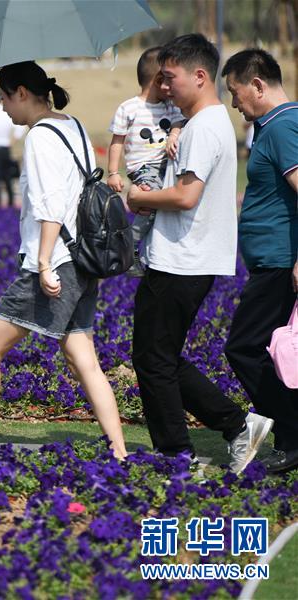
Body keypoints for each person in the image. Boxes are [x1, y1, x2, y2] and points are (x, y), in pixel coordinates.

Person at [127, 34, 273, 473]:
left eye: (169, 78)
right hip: (184, 256)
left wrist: (140, 197)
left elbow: (187, 197)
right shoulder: (200, 125)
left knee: (153, 359)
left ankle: (179, 454)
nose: (164, 86)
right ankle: (234, 428)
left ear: (200, 75)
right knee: (158, 356)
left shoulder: (206, 127)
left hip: (182, 258)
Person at [0, 61, 127, 459]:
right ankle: (120, 452)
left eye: (4, 98)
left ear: (21, 92)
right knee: (82, 357)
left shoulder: (39, 136)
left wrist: (41, 264)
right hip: (85, 259)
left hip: (56, 260)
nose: (3, 108)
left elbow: (51, 207)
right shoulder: (71, 124)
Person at [222, 48, 298, 474]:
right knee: (275, 352)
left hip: (281, 262)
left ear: (257, 85)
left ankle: (291, 432)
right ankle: (290, 436)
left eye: (235, 92)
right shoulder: (272, 127)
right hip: (271, 261)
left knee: (244, 347)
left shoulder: (285, 126)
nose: (235, 103)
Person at [107, 46, 184, 277]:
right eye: (168, 78)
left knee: (162, 207)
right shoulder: (129, 108)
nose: (171, 86)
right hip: (143, 168)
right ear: (159, 79)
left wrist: (173, 134)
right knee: (152, 203)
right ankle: (128, 248)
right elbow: (117, 142)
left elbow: (180, 122)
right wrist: (112, 172)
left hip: (166, 167)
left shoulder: (170, 107)